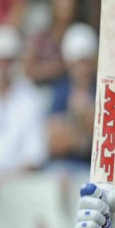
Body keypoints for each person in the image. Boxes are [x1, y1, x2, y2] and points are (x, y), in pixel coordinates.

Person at [0, 24, 48, 183]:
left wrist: (4, 180)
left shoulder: (31, 98)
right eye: (0, 61)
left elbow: (35, 156)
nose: (4, 67)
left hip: (18, 184)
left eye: (8, 61)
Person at [45, 22, 97, 174]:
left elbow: (111, 144)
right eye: (78, 63)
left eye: (86, 62)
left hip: (93, 169)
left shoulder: (101, 91)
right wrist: (87, 127)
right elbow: (54, 144)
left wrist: (72, 128)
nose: (83, 69)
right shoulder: (61, 91)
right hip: (63, 167)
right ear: (69, 64)